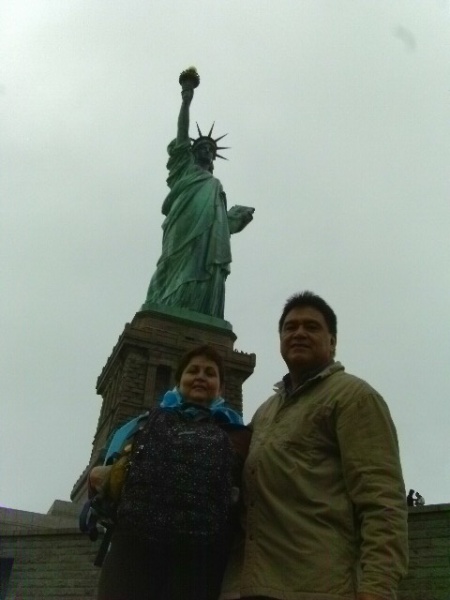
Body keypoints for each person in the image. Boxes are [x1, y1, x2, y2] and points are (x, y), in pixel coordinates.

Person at [220, 291, 409, 600]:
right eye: (290, 327)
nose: (299, 333)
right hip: (247, 585)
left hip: (316, 586)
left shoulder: (353, 397)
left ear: (332, 341)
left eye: (312, 326)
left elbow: (382, 503)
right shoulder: (265, 411)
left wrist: (377, 588)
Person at [92, 344, 251, 600]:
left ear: (221, 388)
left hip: (197, 562)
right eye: (193, 371)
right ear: (178, 382)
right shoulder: (144, 424)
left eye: (210, 373)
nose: (200, 376)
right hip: (134, 555)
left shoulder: (240, 436)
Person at [142, 75, 254, 319]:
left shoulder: (215, 185)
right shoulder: (184, 168)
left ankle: (198, 310)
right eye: (201, 147)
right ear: (192, 152)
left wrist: (234, 220)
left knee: (202, 267)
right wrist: (186, 100)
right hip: (182, 224)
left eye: (211, 149)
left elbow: (220, 224)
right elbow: (182, 133)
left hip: (206, 237)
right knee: (172, 262)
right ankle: (163, 301)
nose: (207, 150)